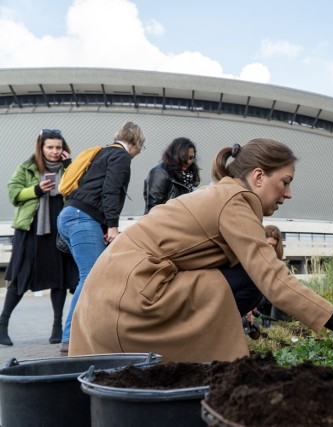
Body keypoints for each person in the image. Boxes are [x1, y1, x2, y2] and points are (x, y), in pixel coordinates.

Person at [68, 138, 333, 362]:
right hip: (130, 306)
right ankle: (206, 358)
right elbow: (274, 281)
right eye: (285, 182)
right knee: (252, 274)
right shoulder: (236, 201)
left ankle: (206, 348)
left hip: (108, 305)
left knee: (248, 270)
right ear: (259, 176)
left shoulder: (220, 193)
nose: (289, 193)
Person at [56, 121, 145, 355]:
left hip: (71, 215)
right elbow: (110, 191)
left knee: (93, 278)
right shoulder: (121, 156)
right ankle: (70, 338)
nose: (137, 154)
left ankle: (86, 334)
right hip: (82, 218)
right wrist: (113, 227)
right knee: (90, 278)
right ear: (136, 144)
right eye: (140, 149)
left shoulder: (102, 153)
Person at [0, 129, 79, 346]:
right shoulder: (28, 167)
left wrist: (69, 165)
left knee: (60, 278)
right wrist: (36, 189)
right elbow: (13, 194)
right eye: (50, 147)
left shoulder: (69, 168)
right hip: (31, 229)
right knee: (21, 277)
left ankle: (57, 328)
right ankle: (2, 324)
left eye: (58, 147)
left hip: (59, 229)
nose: (54, 151)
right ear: (41, 148)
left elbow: (79, 191)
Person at [143, 137, 200, 214]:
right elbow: (154, 208)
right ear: (175, 156)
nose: (188, 161)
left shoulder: (188, 174)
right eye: (184, 158)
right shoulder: (160, 172)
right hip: (164, 222)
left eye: (191, 158)